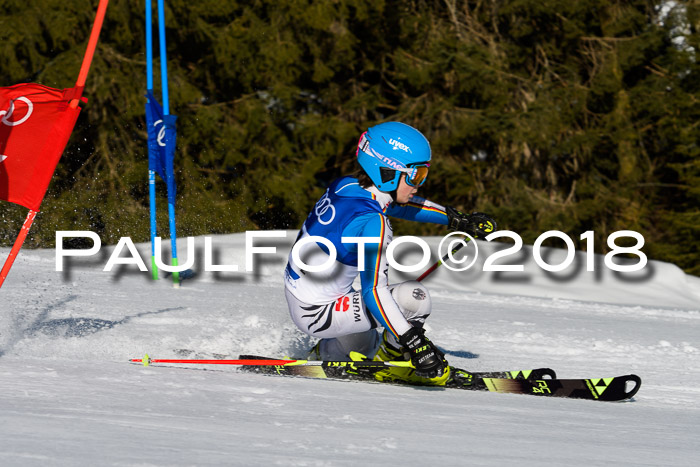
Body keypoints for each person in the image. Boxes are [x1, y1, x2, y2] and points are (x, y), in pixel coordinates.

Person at [283, 122, 496, 385]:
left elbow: (398, 205)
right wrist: (414, 343)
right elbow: (374, 291)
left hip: (307, 299)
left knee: (362, 348)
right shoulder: (374, 224)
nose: (419, 185)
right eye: (416, 176)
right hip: (321, 313)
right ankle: (393, 360)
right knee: (415, 298)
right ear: (388, 173)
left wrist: (457, 220)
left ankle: (326, 353)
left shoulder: (345, 186)